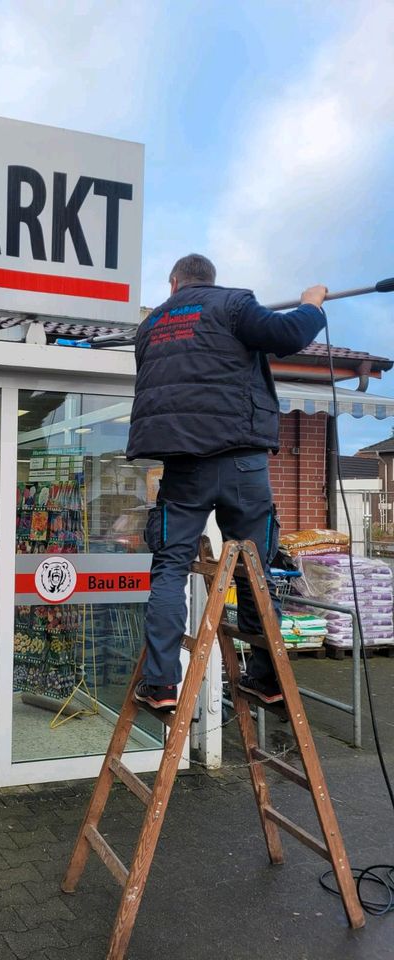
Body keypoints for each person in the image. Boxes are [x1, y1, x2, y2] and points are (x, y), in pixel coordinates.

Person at [126, 253, 327, 711]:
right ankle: (268, 679)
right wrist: (312, 305)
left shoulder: (151, 326)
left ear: (174, 284)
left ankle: (160, 686)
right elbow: (288, 335)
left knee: (170, 569)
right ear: (209, 281)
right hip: (242, 465)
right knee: (254, 570)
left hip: (184, 467)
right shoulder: (233, 305)